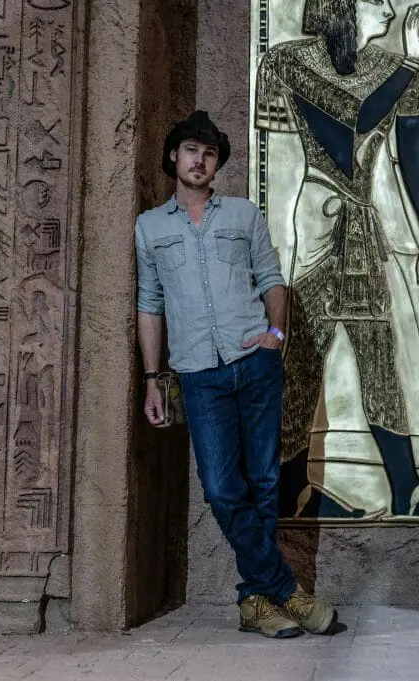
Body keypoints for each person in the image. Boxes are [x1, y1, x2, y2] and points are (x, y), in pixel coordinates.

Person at [256, 1, 419, 518]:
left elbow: (414, 155)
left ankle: (407, 491)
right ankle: (290, 490)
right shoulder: (293, 60)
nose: (391, 9)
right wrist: (409, 65)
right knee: (302, 359)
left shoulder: (396, 70)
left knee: (379, 360)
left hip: (362, 226)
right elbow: (348, 125)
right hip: (321, 220)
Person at [135, 110, 337, 639]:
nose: (199, 160)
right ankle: (285, 588)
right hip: (198, 373)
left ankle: (256, 603)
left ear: (216, 163)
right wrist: (152, 378)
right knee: (223, 489)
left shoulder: (243, 214)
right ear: (174, 157)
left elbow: (272, 279)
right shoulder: (150, 227)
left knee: (264, 482)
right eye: (191, 150)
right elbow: (150, 304)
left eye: (209, 153)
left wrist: (275, 335)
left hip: (254, 364)